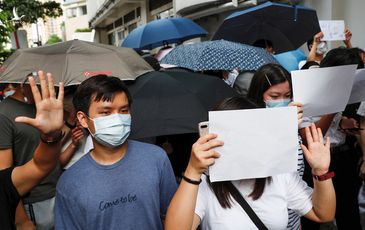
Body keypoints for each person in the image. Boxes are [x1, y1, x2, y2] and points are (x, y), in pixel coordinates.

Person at [164, 96, 335, 229]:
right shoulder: (205, 184)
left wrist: (321, 172)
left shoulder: (279, 174)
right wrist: (193, 171)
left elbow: (323, 215)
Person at [55, 75, 177, 229]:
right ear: (83, 119)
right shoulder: (70, 182)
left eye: (123, 110)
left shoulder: (156, 158)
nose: (118, 119)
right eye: (106, 112)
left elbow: (173, 216)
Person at [300, 47, 364, 230]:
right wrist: (334, 105)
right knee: (313, 214)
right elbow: (309, 136)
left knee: (348, 210)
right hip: (316, 161)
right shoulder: (307, 90)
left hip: (343, 156)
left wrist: (344, 124)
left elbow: (333, 126)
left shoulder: (341, 89)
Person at [0, 71, 64, 229]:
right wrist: (22, 220)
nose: (45, 90)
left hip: (55, 188)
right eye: (38, 85)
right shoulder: (4, 113)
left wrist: (52, 135)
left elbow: (42, 164)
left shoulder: (42, 109)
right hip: (34, 197)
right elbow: (4, 171)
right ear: (24, 84)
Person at [247, 63, 304, 229]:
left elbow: (296, 177)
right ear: (259, 96)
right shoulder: (249, 128)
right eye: (274, 96)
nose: (283, 101)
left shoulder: (293, 124)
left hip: (293, 218)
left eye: (288, 95)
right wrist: (283, 129)